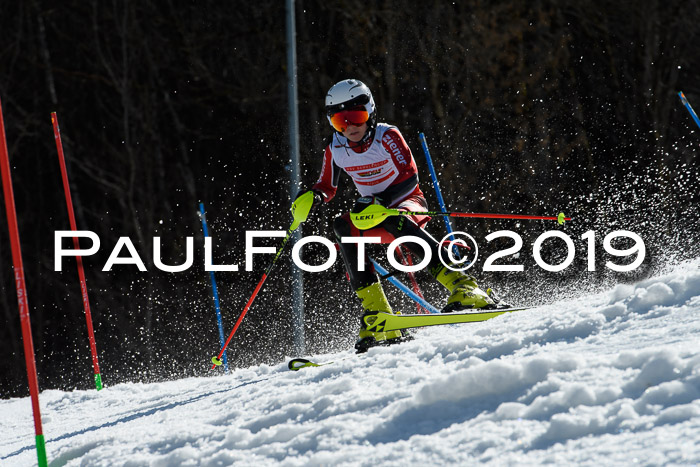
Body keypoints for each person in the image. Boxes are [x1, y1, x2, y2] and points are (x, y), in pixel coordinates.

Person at [291, 79, 498, 351]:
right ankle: (377, 312)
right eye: (340, 121)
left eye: (356, 117)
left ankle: (466, 286)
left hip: (407, 203)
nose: (350, 127)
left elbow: (409, 178)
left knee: (391, 216)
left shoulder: (387, 136)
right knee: (342, 226)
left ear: (370, 112)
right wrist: (313, 196)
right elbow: (327, 187)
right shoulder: (335, 147)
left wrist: (382, 200)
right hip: (372, 212)